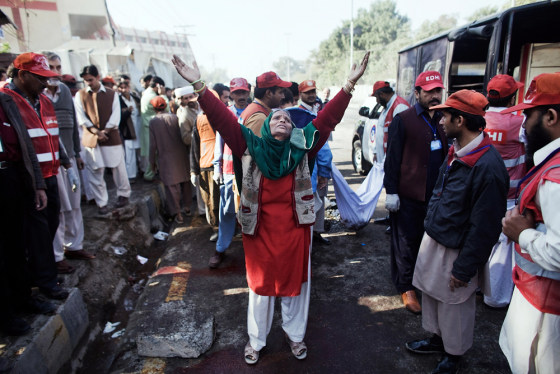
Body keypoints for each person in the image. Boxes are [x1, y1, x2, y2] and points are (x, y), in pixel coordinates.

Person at [172, 50, 370, 365]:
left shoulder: (303, 145)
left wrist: (348, 85)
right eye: (276, 117)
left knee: (295, 288)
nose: (281, 118)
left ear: (293, 130)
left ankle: (295, 337)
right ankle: (257, 340)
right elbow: (222, 119)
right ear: (265, 127)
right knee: (261, 289)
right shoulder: (248, 144)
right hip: (259, 229)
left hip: (295, 229)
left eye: (287, 119)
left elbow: (328, 118)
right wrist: (198, 83)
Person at [406, 90, 509, 373]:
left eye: (446, 116)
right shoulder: (458, 150)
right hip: (439, 236)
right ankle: (439, 341)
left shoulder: (488, 166)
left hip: (457, 247)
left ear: (460, 121)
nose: (440, 121)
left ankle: (454, 354)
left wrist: (465, 268)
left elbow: (485, 225)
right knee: (434, 296)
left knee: (455, 305)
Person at [499, 72, 560, 374]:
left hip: (547, 312)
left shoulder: (556, 177)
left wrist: (522, 234)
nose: (522, 125)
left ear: (550, 116)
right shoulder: (550, 163)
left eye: (528, 115)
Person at [1, 52, 70, 300]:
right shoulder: (7, 101)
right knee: (37, 231)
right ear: (23, 75)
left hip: (51, 173)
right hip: (29, 178)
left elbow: (53, 133)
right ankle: (45, 281)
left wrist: (64, 158)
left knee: (51, 223)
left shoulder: (44, 100)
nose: (45, 83)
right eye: (40, 78)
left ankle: (42, 272)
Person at [383, 71, 448, 314]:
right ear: (417, 93)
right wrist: (391, 191)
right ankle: (406, 286)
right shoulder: (405, 119)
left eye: (437, 91)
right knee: (406, 243)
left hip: (436, 195)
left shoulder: (444, 118)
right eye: (429, 91)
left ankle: (424, 281)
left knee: (430, 242)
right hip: (408, 194)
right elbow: (393, 159)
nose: (434, 96)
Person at [0, 91, 57, 335]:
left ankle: (23, 298)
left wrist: (37, 184)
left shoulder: (5, 102)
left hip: (11, 176)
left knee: (17, 242)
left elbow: (25, 144)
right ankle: (5, 316)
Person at [45, 53, 94, 274]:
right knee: (58, 208)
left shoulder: (64, 91)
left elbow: (73, 126)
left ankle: (75, 246)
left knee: (74, 204)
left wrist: (76, 153)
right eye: (51, 67)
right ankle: (57, 256)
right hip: (51, 161)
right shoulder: (39, 94)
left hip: (70, 159)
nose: (55, 72)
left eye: (58, 67)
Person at [482, 74, 526, 308]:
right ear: (511, 98)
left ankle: (479, 287)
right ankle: (495, 297)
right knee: (502, 247)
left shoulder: (478, 118)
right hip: (508, 198)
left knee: (480, 240)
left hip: (481, 195)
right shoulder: (519, 123)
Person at [74, 65, 131, 214]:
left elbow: (116, 116)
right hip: (91, 137)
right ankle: (101, 202)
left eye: (91, 80)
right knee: (95, 169)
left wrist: (105, 131)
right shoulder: (80, 95)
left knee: (118, 167)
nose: (88, 83)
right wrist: (96, 132)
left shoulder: (112, 94)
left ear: (98, 77)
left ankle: (123, 195)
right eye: (86, 81)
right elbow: (81, 117)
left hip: (110, 135)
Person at [209, 77, 250, 268]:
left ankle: (253, 251)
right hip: (230, 171)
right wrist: (217, 168)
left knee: (253, 211)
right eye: (237, 93)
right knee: (227, 211)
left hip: (251, 171)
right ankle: (220, 248)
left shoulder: (255, 112)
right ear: (231, 94)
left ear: (248, 92)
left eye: (244, 92)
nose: (241, 96)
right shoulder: (226, 114)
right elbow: (219, 143)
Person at [299, 79, 332, 245]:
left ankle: (315, 237)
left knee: (316, 206)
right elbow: (322, 148)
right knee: (310, 209)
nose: (312, 95)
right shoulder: (302, 115)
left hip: (314, 171)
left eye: (313, 91)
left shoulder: (313, 111)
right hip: (310, 172)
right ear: (300, 94)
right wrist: (324, 172)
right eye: (307, 92)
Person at [149, 96, 191, 224]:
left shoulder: (153, 122)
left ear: (153, 108)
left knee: (171, 187)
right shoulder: (174, 117)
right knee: (185, 182)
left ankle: (178, 214)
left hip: (165, 157)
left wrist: (152, 162)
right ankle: (188, 207)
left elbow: (153, 145)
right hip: (181, 154)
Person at [191, 89, 221, 241]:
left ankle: (227, 228)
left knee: (220, 200)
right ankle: (216, 228)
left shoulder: (221, 117)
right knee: (209, 200)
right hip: (205, 165)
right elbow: (195, 146)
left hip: (220, 165)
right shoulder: (199, 119)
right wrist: (193, 170)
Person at [240, 71, 291, 136]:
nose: (283, 96)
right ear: (269, 93)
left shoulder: (255, 108)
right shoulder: (259, 118)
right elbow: (255, 145)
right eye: (280, 92)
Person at [370, 81, 410, 164]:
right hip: (384, 161)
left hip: (393, 162)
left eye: (376, 97)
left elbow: (401, 140)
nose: (377, 101)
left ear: (382, 94)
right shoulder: (386, 108)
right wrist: (376, 152)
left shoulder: (399, 107)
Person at [140, 76, 167, 181]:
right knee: (153, 153)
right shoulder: (152, 96)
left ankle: (150, 174)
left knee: (152, 153)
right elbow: (166, 107)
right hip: (151, 128)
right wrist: (163, 95)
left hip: (148, 127)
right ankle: (149, 175)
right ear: (158, 86)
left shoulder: (146, 94)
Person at [117, 79, 141, 183]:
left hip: (139, 127)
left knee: (141, 152)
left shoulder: (135, 97)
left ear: (128, 87)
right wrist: (127, 111)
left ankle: (143, 170)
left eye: (125, 87)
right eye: (121, 88)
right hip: (128, 130)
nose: (124, 90)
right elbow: (118, 117)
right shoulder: (118, 100)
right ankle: (131, 176)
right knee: (130, 154)